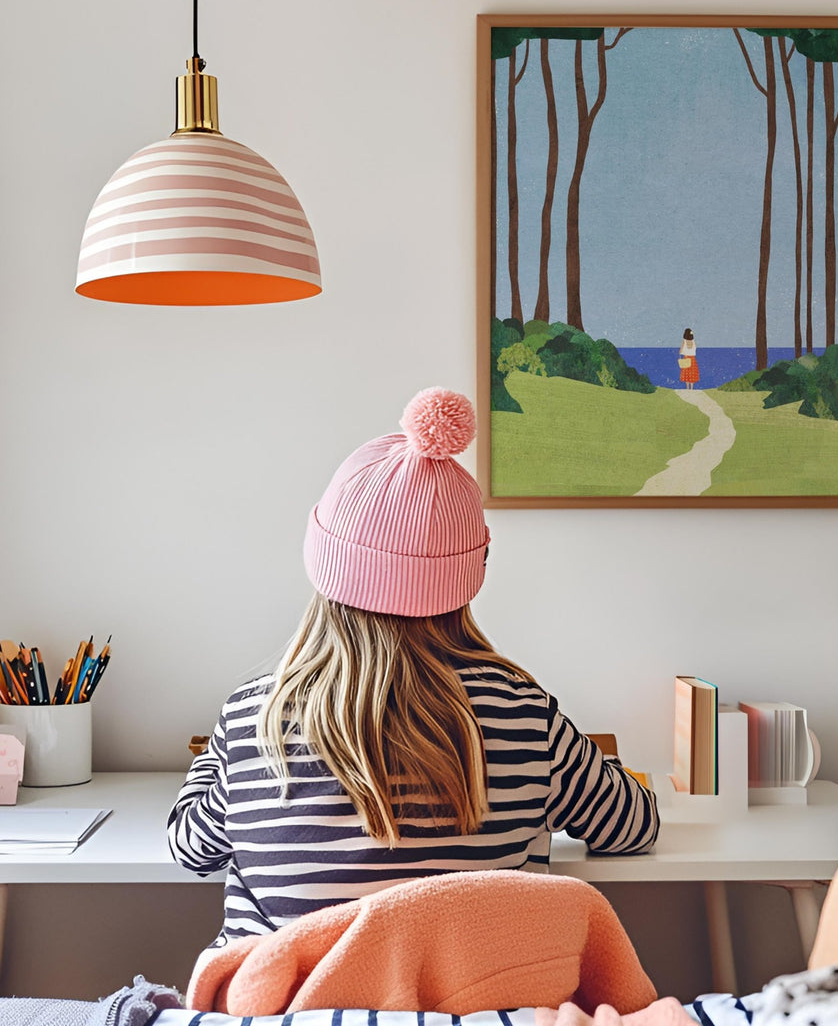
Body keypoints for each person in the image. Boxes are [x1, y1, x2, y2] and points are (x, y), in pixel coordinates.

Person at [168, 388, 659, 946]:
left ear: (324, 563)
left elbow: (192, 849)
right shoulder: (523, 711)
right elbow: (633, 826)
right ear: (470, 571)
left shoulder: (256, 714)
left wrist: (214, 759)